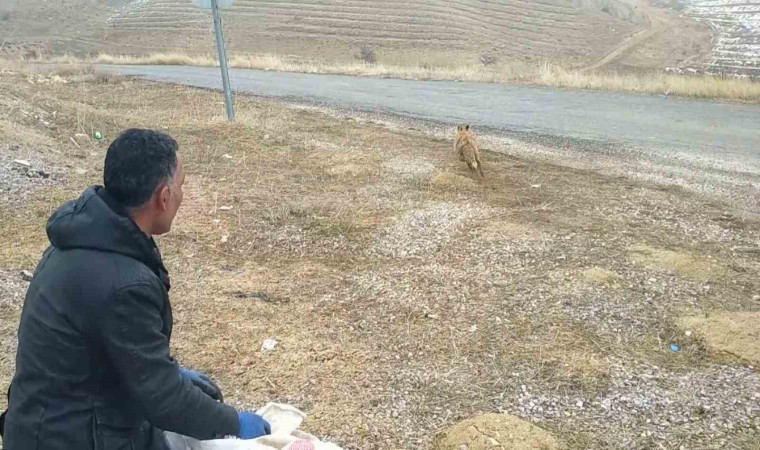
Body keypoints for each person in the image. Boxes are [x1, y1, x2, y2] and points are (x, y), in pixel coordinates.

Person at [0, 129, 270, 449]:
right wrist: (234, 423)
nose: (182, 195)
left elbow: (109, 351)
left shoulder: (80, 239)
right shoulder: (125, 284)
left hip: (46, 422)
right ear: (164, 197)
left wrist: (174, 376)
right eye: (181, 186)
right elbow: (164, 399)